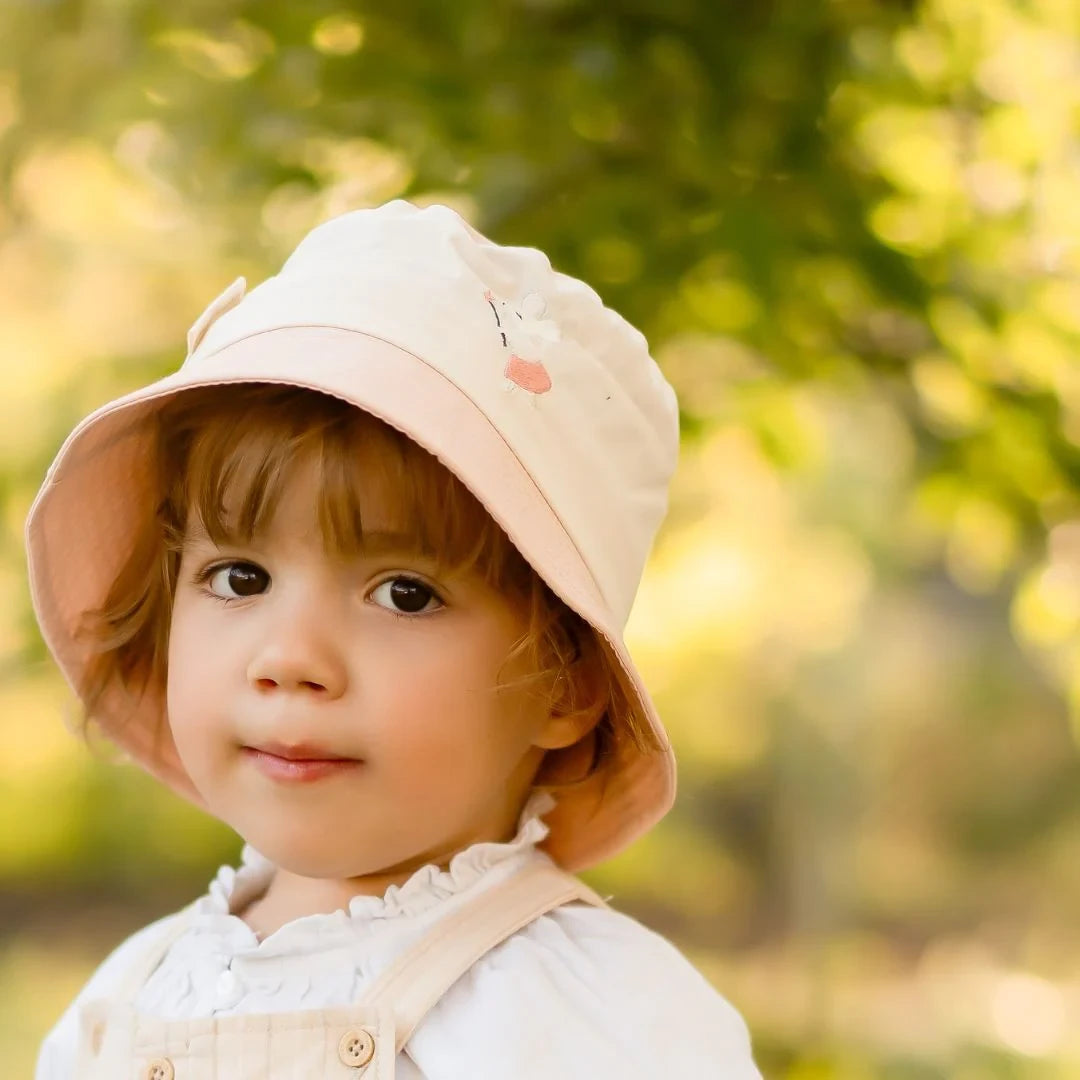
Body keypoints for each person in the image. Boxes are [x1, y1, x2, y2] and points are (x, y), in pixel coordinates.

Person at [27, 200, 762, 1078]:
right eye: (239, 578)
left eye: (404, 593)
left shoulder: (595, 1015)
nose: (290, 658)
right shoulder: (133, 995)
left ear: (565, 684)